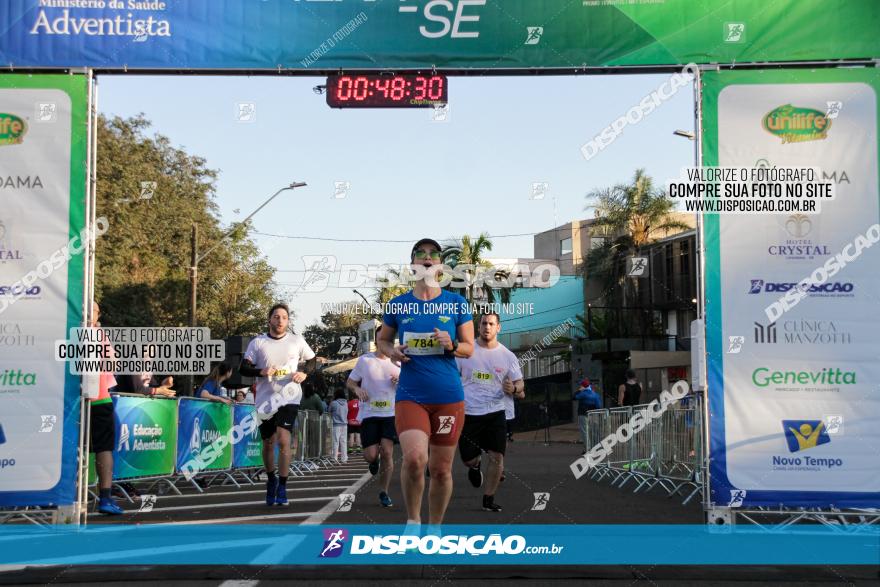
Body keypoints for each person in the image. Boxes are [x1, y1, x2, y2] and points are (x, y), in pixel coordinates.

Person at [377, 237, 474, 527]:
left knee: (441, 469)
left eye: (433, 254)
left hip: (448, 396)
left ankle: (435, 527)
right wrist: (391, 351)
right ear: (413, 265)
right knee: (415, 459)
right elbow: (382, 339)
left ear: (441, 265)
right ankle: (413, 520)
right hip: (411, 394)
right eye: (421, 254)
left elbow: (469, 348)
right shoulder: (398, 305)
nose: (427, 258)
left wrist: (451, 344)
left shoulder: (456, 303)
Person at [239, 303, 316, 506]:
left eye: (283, 317)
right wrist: (260, 372)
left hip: (289, 396)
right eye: (276, 317)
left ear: (288, 321)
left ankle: (282, 485)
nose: (280, 320)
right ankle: (271, 479)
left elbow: (312, 360)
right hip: (265, 400)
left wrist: (304, 372)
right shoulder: (258, 342)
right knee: (268, 443)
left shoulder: (296, 340)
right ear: (269, 320)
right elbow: (243, 368)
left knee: (283, 440)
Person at [455, 313, 523, 512]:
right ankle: (475, 466)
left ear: (498, 328)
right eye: (484, 323)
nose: (487, 327)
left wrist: (515, 388)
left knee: (497, 457)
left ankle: (488, 498)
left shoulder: (508, 356)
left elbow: (520, 382)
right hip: (468, 413)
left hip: (495, 413)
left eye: (491, 324)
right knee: (468, 458)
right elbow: (451, 375)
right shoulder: (466, 351)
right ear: (478, 327)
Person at [346, 326, 401, 508]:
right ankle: (373, 460)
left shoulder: (399, 363)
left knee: (387, 452)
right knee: (370, 456)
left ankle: (384, 492)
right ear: (377, 341)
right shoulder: (365, 361)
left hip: (390, 414)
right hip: (369, 413)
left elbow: (410, 387)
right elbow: (350, 382)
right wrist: (357, 389)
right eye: (381, 338)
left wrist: (400, 383)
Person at [88, 302, 123, 515]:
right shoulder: (98, 334)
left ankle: (57, 496)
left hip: (70, 398)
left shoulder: (65, 328)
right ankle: (105, 498)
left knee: (70, 445)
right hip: (98, 396)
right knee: (104, 447)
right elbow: (113, 362)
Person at [574, 378, 602, 454]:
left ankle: (587, 449)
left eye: (580, 385)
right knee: (594, 431)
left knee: (585, 432)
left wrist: (579, 390)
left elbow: (573, 397)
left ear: (583, 386)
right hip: (594, 414)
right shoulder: (595, 394)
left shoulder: (582, 393)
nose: (579, 386)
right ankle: (596, 448)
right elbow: (599, 406)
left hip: (583, 414)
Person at [328, 388, 348, 463]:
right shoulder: (346, 403)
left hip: (336, 425)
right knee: (343, 442)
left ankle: (334, 457)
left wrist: (331, 401)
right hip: (345, 424)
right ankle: (344, 458)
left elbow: (329, 410)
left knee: (335, 441)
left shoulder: (334, 403)